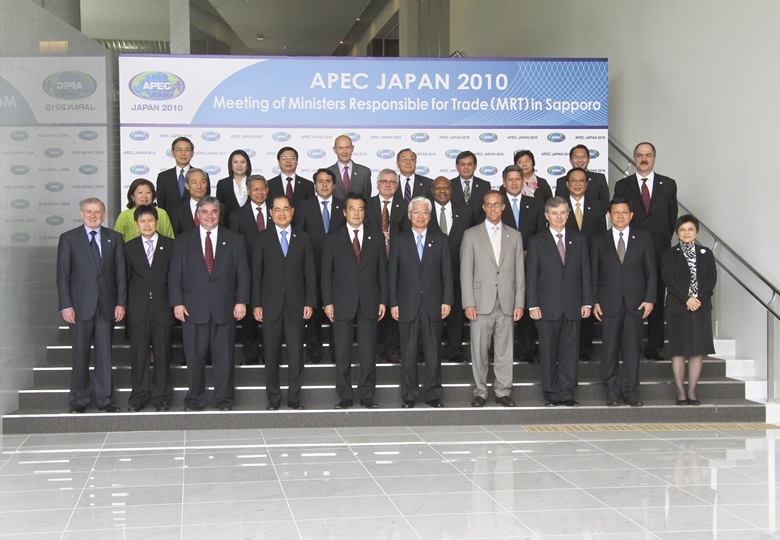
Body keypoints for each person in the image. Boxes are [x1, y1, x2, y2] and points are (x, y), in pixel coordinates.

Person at [168, 196, 250, 411]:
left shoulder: (235, 239)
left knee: (224, 358)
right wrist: (177, 302)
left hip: (225, 308)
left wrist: (241, 301)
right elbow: (175, 275)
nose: (210, 216)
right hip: (193, 309)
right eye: (204, 212)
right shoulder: (183, 240)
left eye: (214, 211)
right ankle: (194, 399)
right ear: (197, 214)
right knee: (195, 359)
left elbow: (243, 275)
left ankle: (224, 399)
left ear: (219, 214)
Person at [56, 198, 126, 413]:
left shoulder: (114, 238)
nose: (93, 215)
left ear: (104, 214)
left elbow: (120, 274)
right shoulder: (68, 238)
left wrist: (120, 303)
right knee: (80, 355)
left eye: (97, 211)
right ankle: (79, 400)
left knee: (105, 355)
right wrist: (66, 306)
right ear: (81, 213)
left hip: (106, 306)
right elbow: (62, 275)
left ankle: (105, 399)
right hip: (79, 308)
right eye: (89, 211)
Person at [322, 193, 387, 409]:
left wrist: (383, 300)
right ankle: (345, 396)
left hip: (370, 300)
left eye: (360, 209)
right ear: (344, 212)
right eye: (352, 208)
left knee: (368, 352)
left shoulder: (376, 237)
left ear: (365, 212)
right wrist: (327, 302)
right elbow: (326, 274)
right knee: (342, 352)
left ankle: (367, 395)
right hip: (341, 302)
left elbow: (382, 272)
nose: (356, 212)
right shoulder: (333, 238)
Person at [251, 195, 317, 410]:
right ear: (270, 213)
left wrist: (309, 302)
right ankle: (273, 398)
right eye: (277, 209)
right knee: (271, 354)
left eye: (285, 209)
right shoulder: (261, 238)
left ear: (292, 211)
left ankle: (294, 397)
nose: (281, 213)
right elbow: (256, 274)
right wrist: (256, 304)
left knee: (296, 353)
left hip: (297, 305)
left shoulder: (304, 238)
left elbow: (309, 272)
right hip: (270, 306)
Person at [614, 142, 678, 360]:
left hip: (659, 251)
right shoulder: (622, 185)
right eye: (640, 155)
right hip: (631, 252)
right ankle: (626, 345)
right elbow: (619, 218)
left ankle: (654, 347)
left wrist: (661, 241)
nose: (644, 159)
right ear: (634, 158)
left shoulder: (668, 184)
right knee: (629, 297)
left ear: (654, 158)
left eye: (648, 155)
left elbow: (672, 218)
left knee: (657, 299)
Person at [461, 190, 525, 407]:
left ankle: (503, 391)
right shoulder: (471, 234)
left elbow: (519, 272)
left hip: (506, 302)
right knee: (479, 350)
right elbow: (465, 271)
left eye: (497, 204)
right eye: (489, 205)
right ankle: (480, 391)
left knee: (505, 350)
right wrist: (468, 302)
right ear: (483, 207)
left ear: (503, 207)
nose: (493, 208)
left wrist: (519, 303)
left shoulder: (514, 235)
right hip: (480, 303)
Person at [526, 197, 592, 407]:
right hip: (546, 307)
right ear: (547, 216)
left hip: (573, 306)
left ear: (568, 215)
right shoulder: (537, 241)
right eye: (554, 213)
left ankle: (568, 392)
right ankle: (551, 393)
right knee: (548, 352)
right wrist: (533, 304)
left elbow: (586, 273)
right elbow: (532, 276)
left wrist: (587, 302)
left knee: (570, 353)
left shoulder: (579, 239)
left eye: (563, 213)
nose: (559, 217)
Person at [591, 197, 657, 407]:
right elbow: (594, 273)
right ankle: (611, 392)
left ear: (631, 215)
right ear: (609, 216)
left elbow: (651, 272)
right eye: (616, 213)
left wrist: (649, 299)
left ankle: (630, 392)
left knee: (632, 350)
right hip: (608, 302)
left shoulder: (644, 238)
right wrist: (594, 301)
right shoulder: (599, 239)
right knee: (609, 349)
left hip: (635, 303)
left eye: (624, 212)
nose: (620, 216)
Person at [388, 196, 453, 408]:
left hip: (434, 305)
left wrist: (447, 300)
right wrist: (393, 303)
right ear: (409, 216)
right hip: (406, 305)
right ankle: (408, 396)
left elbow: (446, 273)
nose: (420, 216)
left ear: (430, 216)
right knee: (408, 353)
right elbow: (392, 275)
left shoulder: (441, 239)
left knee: (434, 352)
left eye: (425, 212)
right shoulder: (399, 241)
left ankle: (433, 394)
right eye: (416, 212)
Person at [662, 215, 716, 406]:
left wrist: (698, 300)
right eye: (682, 229)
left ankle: (692, 391)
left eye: (690, 229)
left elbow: (711, 280)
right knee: (678, 350)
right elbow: (668, 279)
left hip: (700, 308)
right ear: (677, 232)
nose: (686, 233)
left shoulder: (706, 253)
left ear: (697, 232)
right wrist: (687, 299)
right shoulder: (669, 254)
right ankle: (680, 391)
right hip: (678, 307)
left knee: (697, 351)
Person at [293, 168, 346, 363]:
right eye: (320, 181)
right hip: (312, 268)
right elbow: (298, 237)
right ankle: (314, 351)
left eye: (328, 181)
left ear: (334, 185)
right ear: (315, 185)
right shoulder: (304, 206)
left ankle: (336, 352)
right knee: (313, 312)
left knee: (338, 313)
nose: (324, 185)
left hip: (338, 271)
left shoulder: (344, 206)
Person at [125, 205, 174, 412]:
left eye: (150, 221)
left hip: (163, 308)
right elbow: (125, 279)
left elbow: (175, 278)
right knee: (139, 355)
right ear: (136, 225)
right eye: (142, 221)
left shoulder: (171, 245)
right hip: (138, 309)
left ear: (157, 222)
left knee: (162, 355)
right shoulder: (129, 247)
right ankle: (139, 396)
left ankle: (162, 397)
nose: (147, 225)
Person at [500, 165, 545, 363]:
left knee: (526, 308)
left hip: (529, 264)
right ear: (504, 183)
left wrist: (530, 253)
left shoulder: (535, 204)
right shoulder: (496, 204)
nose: (514, 183)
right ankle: (501, 352)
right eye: (510, 179)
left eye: (518, 179)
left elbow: (538, 234)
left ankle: (526, 351)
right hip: (501, 266)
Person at [428, 176, 475, 363]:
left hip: (457, 271)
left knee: (455, 314)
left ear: (452, 190)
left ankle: (454, 349)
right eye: (438, 188)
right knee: (431, 314)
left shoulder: (465, 211)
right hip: (429, 274)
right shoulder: (424, 211)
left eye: (446, 187)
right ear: (432, 190)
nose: (442, 191)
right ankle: (429, 350)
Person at [564, 167, 607, 361]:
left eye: (582, 181)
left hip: (590, 262)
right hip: (566, 265)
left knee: (587, 302)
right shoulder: (560, 206)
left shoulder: (598, 207)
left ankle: (585, 348)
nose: (578, 184)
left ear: (587, 184)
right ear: (567, 184)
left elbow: (601, 237)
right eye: (574, 180)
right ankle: (567, 346)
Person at [228, 175, 272, 366]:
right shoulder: (237, 215)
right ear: (248, 191)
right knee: (249, 320)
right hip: (247, 273)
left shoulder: (276, 211)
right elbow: (233, 248)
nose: (259, 192)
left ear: (267, 191)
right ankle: (252, 354)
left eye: (262, 189)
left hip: (273, 273)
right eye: (255, 189)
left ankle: (271, 353)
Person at [366, 169, 408, 363]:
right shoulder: (367, 205)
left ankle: (393, 348)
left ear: (397, 186)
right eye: (384, 181)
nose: (388, 185)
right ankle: (376, 347)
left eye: (392, 182)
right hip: (373, 264)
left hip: (398, 264)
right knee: (375, 305)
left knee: (393, 306)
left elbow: (409, 236)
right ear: (377, 184)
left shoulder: (406, 206)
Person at [156, 136, 210, 210]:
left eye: (187, 150)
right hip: (170, 220)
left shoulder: (202, 175)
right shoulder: (163, 177)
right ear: (172, 153)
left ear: (192, 153)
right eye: (179, 150)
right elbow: (161, 205)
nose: (183, 153)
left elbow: (206, 203)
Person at [328, 134, 373, 199]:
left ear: (352, 148)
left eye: (347, 147)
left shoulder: (364, 172)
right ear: (334, 150)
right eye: (340, 148)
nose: (345, 151)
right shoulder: (328, 173)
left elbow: (367, 200)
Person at [450, 151, 490, 221]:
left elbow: (486, 210)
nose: (466, 167)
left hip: (478, 229)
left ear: (475, 166)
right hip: (456, 228)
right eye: (462, 164)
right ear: (457, 167)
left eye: (469, 164)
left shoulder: (484, 185)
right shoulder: (449, 185)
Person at [215, 149, 252, 227]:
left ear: (247, 165)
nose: (239, 165)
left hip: (251, 225)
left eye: (242, 162)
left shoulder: (254, 183)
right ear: (231, 165)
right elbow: (219, 209)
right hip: (229, 226)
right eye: (235, 162)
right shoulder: (223, 184)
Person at [169, 168, 210, 235]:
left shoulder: (220, 208)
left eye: (203, 182)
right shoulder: (178, 212)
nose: (199, 186)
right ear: (187, 185)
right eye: (194, 182)